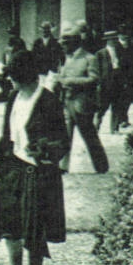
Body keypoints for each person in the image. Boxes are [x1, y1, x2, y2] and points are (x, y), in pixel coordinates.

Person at [0, 49, 68, 265]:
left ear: (25, 76)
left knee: (35, 230)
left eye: (13, 76)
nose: (10, 80)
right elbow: (6, 136)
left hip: (38, 173)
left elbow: (62, 141)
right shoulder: (13, 97)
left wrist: (43, 149)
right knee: (10, 228)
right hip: (12, 169)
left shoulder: (48, 101)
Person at [56, 23, 109, 173]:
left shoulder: (89, 58)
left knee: (89, 135)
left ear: (74, 43)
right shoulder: (67, 58)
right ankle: (62, 166)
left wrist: (70, 81)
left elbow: (94, 79)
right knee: (65, 136)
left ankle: (101, 166)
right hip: (67, 101)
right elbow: (63, 76)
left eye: (65, 44)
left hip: (82, 104)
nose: (63, 47)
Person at [99, 30, 130, 131]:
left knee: (116, 105)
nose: (114, 42)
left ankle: (114, 128)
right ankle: (96, 125)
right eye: (111, 40)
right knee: (102, 106)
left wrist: (124, 80)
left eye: (115, 39)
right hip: (106, 83)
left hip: (117, 81)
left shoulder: (121, 51)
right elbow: (97, 70)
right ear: (107, 41)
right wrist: (99, 83)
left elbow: (125, 67)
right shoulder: (101, 53)